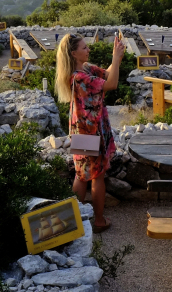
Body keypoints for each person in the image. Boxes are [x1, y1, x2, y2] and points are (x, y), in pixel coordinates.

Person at [55, 32, 125, 234]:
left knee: (81, 174)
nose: (88, 50)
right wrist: (116, 58)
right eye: (84, 47)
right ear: (73, 53)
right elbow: (112, 84)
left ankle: (73, 221)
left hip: (81, 130)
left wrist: (115, 56)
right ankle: (99, 221)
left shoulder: (83, 70)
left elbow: (107, 75)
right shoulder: (81, 77)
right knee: (97, 175)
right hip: (92, 132)